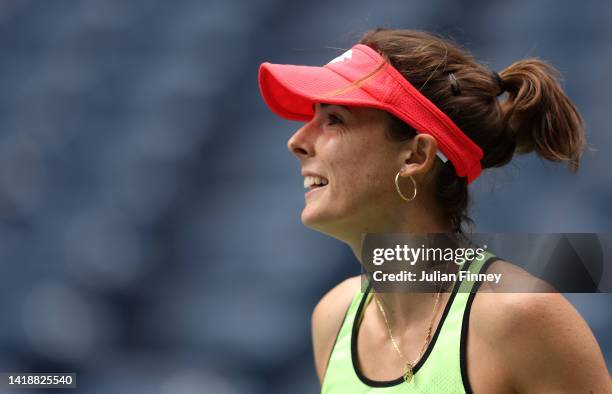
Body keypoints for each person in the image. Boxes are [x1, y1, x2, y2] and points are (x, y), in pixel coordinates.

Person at [258, 28, 611, 393]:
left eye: (334, 118)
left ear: (416, 156)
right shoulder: (333, 318)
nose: (296, 141)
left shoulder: (518, 313)